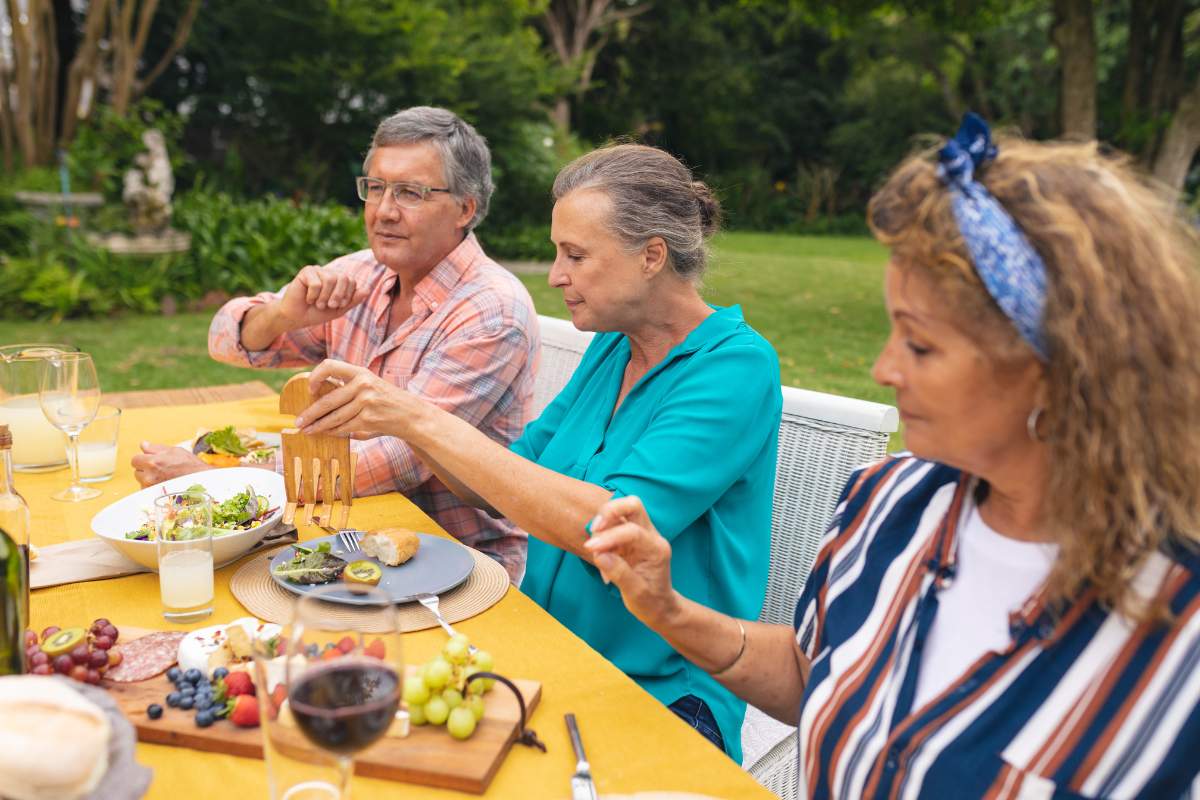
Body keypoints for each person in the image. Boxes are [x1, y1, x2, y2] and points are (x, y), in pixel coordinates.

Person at [582, 115, 1200, 798]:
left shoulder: (1176, 621)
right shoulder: (886, 502)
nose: (882, 368)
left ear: (1060, 368)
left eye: (921, 344)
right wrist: (670, 611)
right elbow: (813, 671)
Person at [291, 144, 783, 761]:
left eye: (575, 255)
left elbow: (606, 526)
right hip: (549, 650)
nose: (555, 275)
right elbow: (503, 482)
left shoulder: (734, 368)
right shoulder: (614, 347)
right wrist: (407, 423)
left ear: (651, 256)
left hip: (660, 691)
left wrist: (415, 413)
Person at [131, 107, 539, 582]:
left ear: (465, 209)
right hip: (342, 531)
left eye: (410, 192)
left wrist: (218, 480)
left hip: (454, 558)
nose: (384, 211)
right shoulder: (362, 274)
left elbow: (396, 462)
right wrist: (283, 313)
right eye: (376, 187)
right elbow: (225, 339)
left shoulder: (490, 311)